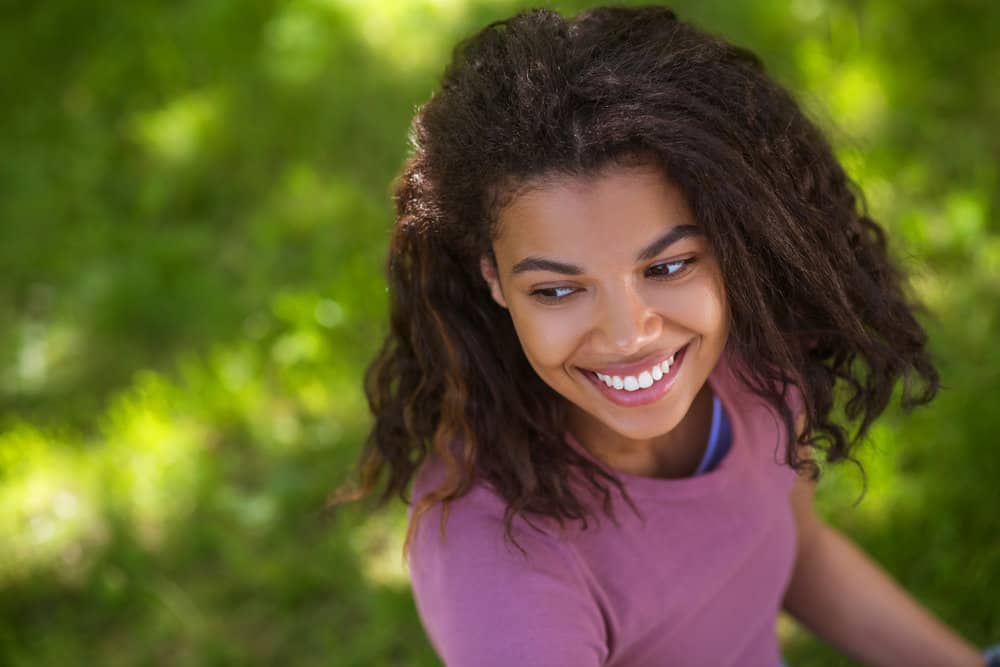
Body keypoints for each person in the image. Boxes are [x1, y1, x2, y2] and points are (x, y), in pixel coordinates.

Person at [343, 6, 995, 666]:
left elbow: (795, 549)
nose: (629, 335)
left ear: (731, 241)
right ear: (494, 279)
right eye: (557, 289)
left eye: (669, 265)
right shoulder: (499, 561)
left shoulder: (756, 360)